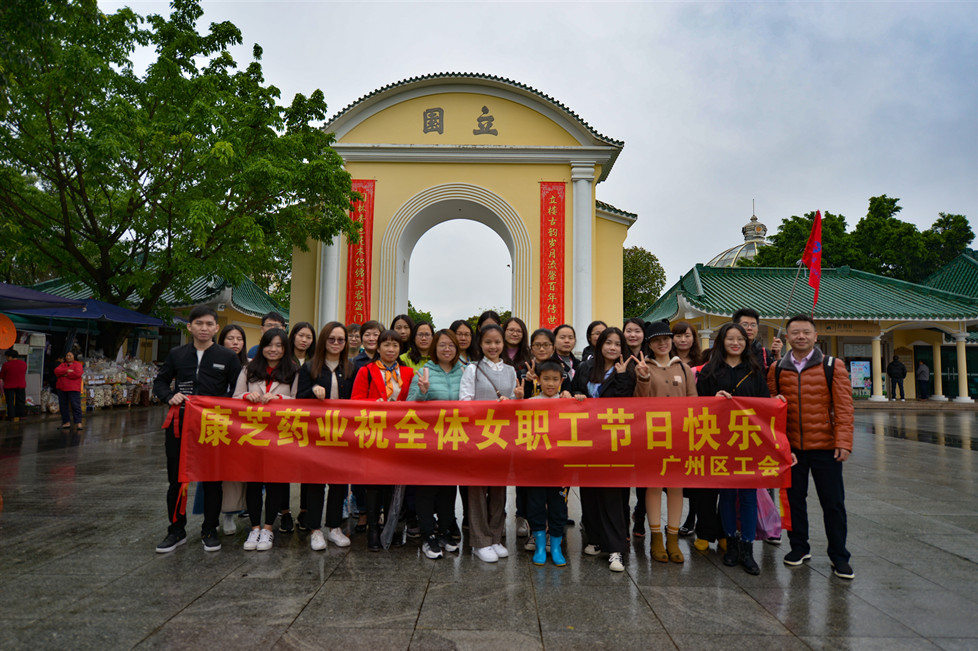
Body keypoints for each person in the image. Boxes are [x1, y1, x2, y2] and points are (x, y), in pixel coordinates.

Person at [768, 314, 855, 580]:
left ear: (816, 336)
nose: (801, 337)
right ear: (787, 337)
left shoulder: (832, 365)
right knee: (794, 500)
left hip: (826, 447)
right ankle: (799, 547)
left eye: (806, 332)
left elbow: (844, 406)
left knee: (833, 503)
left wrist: (843, 441)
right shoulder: (777, 369)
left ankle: (839, 555)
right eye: (795, 332)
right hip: (792, 448)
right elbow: (770, 405)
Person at [152, 306, 242, 553]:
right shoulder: (177, 354)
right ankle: (176, 530)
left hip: (213, 427)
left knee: (212, 480)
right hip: (180, 426)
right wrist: (169, 396)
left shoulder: (227, 357)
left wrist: (223, 404)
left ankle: (210, 529)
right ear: (189, 327)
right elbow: (160, 381)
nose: (204, 328)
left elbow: (238, 389)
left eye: (209, 324)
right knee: (176, 480)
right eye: (199, 323)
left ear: (216, 328)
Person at [696, 322, 769, 575]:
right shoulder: (709, 371)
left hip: (748, 442)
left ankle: (747, 548)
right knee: (726, 495)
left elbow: (765, 406)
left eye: (740, 339)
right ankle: (731, 545)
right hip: (719, 442)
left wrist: (777, 403)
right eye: (730, 338)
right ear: (721, 342)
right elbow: (697, 405)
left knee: (748, 496)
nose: (735, 343)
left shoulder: (755, 371)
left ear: (746, 343)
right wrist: (713, 401)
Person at [571, 326, 635, 572]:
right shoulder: (586, 367)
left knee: (613, 494)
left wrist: (622, 376)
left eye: (617, 344)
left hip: (613, 442)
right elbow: (576, 390)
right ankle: (595, 539)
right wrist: (577, 394)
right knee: (589, 491)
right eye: (608, 342)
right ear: (600, 345)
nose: (612, 347)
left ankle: (616, 548)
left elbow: (625, 404)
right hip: (587, 440)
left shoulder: (626, 369)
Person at [634, 319, 697, 564]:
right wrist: (643, 379)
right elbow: (637, 404)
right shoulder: (644, 367)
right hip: (653, 436)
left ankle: (673, 538)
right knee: (653, 485)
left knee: (675, 486)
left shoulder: (683, 368)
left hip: (679, 435)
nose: (663, 344)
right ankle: (656, 537)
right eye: (657, 340)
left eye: (666, 339)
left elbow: (693, 401)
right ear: (650, 344)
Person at [459, 324, 523, 562]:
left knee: (498, 488)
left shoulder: (511, 370)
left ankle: (495, 537)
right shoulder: (472, 369)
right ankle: (480, 541)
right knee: (477, 489)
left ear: (503, 344)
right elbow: (465, 402)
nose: (493, 346)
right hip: (478, 438)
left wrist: (515, 400)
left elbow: (516, 404)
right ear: (480, 344)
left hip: (503, 438)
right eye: (488, 342)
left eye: (497, 342)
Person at [234, 328, 299, 552]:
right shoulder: (249, 369)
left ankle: (268, 528)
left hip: (280, 434)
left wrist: (280, 398)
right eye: (269, 345)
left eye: (279, 345)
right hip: (253, 434)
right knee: (253, 481)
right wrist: (246, 396)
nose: (273, 349)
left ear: (285, 348)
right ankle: (254, 527)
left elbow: (298, 401)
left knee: (275, 481)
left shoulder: (293, 370)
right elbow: (235, 397)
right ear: (262, 347)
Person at [351, 329, 416, 550]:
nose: (391, 349)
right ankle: (373, 530)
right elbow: (355, 401)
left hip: (398, 435)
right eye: (386, 345)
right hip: (374, 434)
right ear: (378, 348)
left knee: (392, 483)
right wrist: (373, 404)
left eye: (395, 345)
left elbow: (414, 401)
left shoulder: (407, 373)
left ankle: (390, 528)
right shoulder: (366, 371)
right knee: (373, 484)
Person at [406, 329, 465, 559]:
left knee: (448, 489)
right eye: (442, 345)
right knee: (427, 489)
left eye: (451, 345)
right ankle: (428, 535)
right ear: (434, 348)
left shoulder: (465, 371)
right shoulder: (423, 372)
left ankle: (444, 531)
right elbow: (409, 406)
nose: (447, 349)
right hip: (429, 442)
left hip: (455, 440)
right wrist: (422, 393)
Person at [296, 322, 354, 551]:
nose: (336, 343)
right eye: (332, 339)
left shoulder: (351, 368)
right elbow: (299, 399)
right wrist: (312, 391)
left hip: (343, 434)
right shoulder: (310, 367)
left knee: (339, 483)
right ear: (323, 341)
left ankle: (334, 527)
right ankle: (315, 530)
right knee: (315, 483)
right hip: (316, 435)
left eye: (341, 340)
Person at [526, 360, 571, 567]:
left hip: (560, 467)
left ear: (562, 381)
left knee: (558, 507)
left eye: (555, 379)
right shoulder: (530, 402)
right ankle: (539, 545)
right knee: (535, 505)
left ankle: (556, 547)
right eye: (546, 379)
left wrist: (578, 398)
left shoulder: (567, 402)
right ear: (538, 380)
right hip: (535, 466)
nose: (550, 384)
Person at [217, 324, 248, 535]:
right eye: (230, 338)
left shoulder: (250, 366)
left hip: (241, 427)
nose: (235, 343)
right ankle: (211, 514)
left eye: (239, 339)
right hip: (216, 422)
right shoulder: (213, 361)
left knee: (235, 472)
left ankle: (230, 514)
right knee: (214, 470)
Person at [732, 308, 782, 372]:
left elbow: (777, 375)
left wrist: (777, 356)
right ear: (735, 327)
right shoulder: (727, 352)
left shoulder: (765, 354)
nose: (749, 328)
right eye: (745, 324)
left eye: (753, 325)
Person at [54, 352, 84, 429]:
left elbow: (77, 374)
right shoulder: (63, 364)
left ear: (74, 356)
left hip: (73, 388)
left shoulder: (78, 365)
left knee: (75, 405)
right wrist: (68, 370)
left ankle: (78, 422)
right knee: (63, 406)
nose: (68, 357)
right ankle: (66, 422)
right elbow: (56, 371)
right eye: (67, 355)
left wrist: (64, 374)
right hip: (61, 388)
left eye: (70, 355)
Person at [1, 348, 27, 422]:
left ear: (10, 356)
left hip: (9, 385)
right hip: (21, 384)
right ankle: (21, 415)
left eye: (6, 357)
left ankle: (11, 416)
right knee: (20, 400)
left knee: (10, 401)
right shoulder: (23, 363)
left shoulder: (6, 365)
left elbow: (2, 375)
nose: (6, 358)